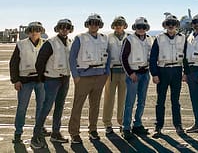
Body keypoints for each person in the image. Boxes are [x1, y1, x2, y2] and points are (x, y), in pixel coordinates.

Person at [30, 19, 74, 149]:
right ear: (57, 28)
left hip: (65, 78)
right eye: (62, 27)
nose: (64, 29)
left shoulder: (69, 42)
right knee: (46, 107)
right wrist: (43, 78)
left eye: (67, 27)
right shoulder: (50, 43)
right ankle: (35, 136)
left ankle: (55, 133)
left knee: (60, 107)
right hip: (52, 79)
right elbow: (40, 62)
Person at [68, 14, 110, 144]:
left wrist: (106, 73)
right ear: (87, 24)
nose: (94, 25)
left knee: (95, 105)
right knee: (78, 105)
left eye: (96, 23)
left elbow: (108, 57)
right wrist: (75, 75)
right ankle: (74, 132)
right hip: (84, 77)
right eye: (91, 23)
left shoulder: (104, 38)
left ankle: (93, 130)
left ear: (100, 25)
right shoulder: (80, 38)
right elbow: (72, 57)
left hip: (100, 76)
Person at [9, 21, 48, 144]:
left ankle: (39, 128)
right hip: (25, 81)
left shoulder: (46, 44)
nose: (34, 33)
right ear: (28, 32)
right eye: (31, 30)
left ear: (41, 31)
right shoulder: (21, 44)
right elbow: (14, 63)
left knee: (41, 107)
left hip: (41, 80)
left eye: (37, 30)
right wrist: (16, 80)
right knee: (22, 108)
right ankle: (18, 132)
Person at [150, 14, 185, 138]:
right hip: (162, 70)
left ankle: (178, 125)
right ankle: (158, 126)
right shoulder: (159, 38)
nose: (171, 26)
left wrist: (185, 72)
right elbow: (153, 57)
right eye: (168, 23)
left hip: (176, 70)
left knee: (175, 100)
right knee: (161, 100)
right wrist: (154, 74)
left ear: (177, 25)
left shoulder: (182, 38)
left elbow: (185, 56)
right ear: (165, 25)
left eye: (173, 24)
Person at [120, 17, 153, 139]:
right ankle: (126, 127)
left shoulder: (149, 39)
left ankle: (137, 124)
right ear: (135, 27)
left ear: (146, 28)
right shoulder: (129, 39)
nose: (141, 29)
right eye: (139, 27)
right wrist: (130, 73)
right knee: (130, 102)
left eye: (143, 27)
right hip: (133, 74)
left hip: (145, 73)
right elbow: (123, 58)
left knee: (142, 101)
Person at [103, 16, 129, 135]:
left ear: (125, 25)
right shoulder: (108, 38)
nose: (118, 26)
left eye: (121, 24)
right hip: (112, 72)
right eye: (116, 24)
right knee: (109, 99)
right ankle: (107, 123)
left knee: (123, 99)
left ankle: (122, 122)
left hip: (125, 72)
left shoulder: (129, 37)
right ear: (113, 25)